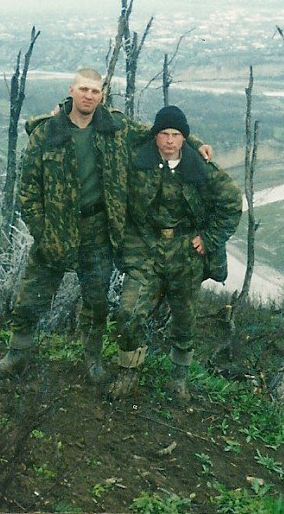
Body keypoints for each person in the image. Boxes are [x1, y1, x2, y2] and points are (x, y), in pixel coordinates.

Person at [0, 69, 211, 382]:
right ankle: (17, 354)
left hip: (97, 231)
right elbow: (27, 191)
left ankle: (92, 360)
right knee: (32, 297)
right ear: (72, 91)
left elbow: (158, 131)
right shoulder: (48, 132)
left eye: (95, 91)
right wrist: (42, 230)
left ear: (102, 95)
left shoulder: (115, 127)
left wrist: (196, 143)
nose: (89, 96)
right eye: (84, 89)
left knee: (96, 302)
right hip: (56, 229)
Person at [110, 105, 242, 402]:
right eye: (164, 134)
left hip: (185, 253)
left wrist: (209, 238)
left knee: (185, 321)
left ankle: (179, 379)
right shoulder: (138, 160)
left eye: (177, 135)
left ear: (185, 138)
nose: (169, 141)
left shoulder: (199, 167)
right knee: (129, 313)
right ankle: (128, 373)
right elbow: (117, 125)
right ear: (155, 136)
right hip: (146, 249)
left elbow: (232, 202)